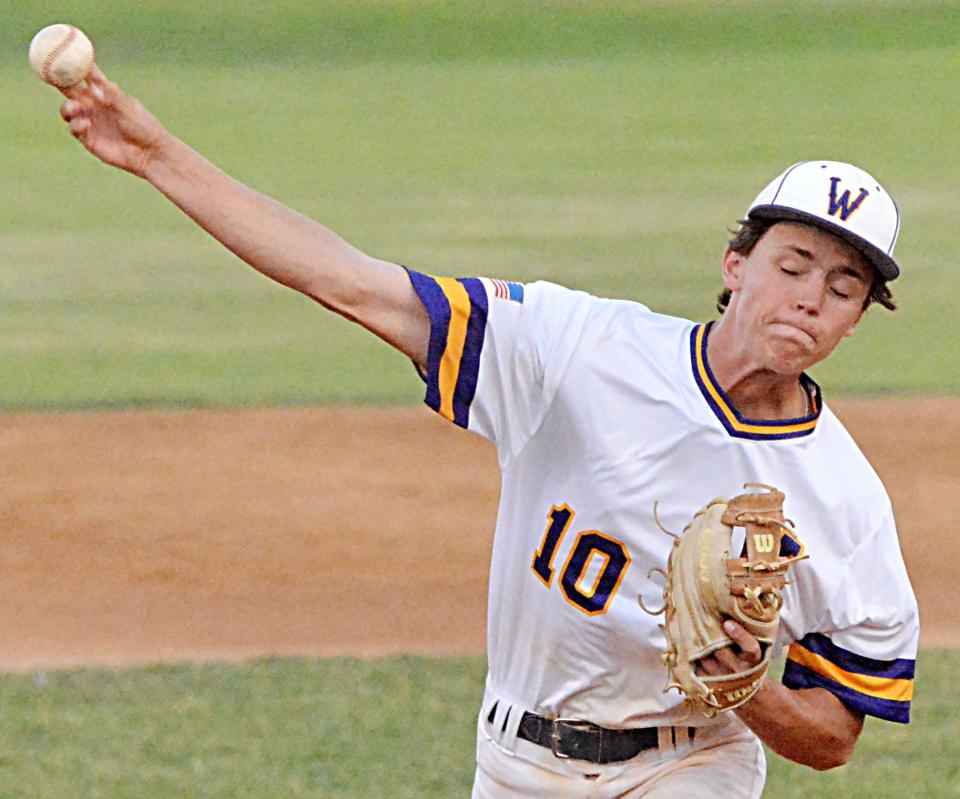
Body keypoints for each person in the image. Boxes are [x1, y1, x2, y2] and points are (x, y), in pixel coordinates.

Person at [56, 63, 918, 798]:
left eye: (842, 287)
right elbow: (354, 285)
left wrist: (746, 690)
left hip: (692, 763)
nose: (809, 296)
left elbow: (834, 737)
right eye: (792, 265)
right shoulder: (580, 350)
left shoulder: (845, 500)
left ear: (854, 321)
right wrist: (152, 154)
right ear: (735, 267)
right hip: (518, 762)